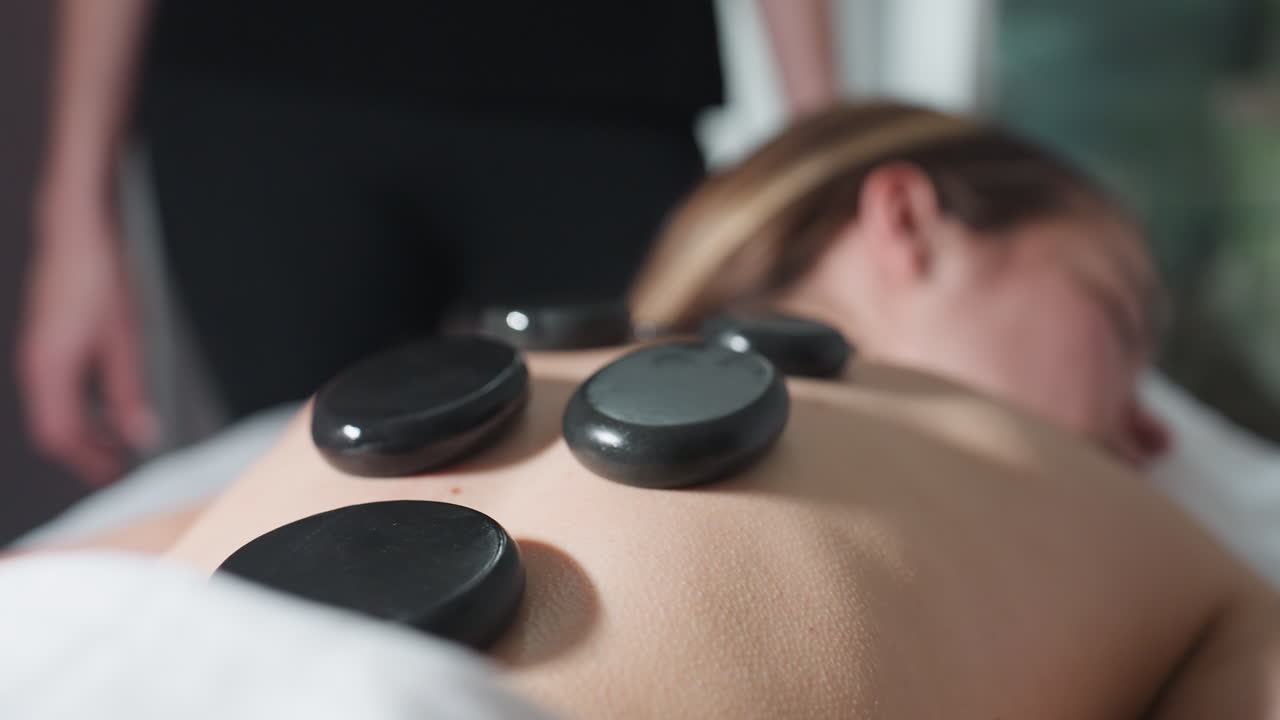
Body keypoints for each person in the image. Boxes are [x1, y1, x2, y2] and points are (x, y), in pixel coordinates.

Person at [24, 102, 1280, 717]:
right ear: (907, 223)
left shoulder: (1140, 537)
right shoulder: (1142, 539)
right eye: (1120, 318)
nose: (1154, 426)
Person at [17, 0, 839, 485]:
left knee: (664, 481)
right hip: (267, 93)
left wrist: (827, 153)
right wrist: (73, 213)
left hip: (601, 94)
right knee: (314, 512)